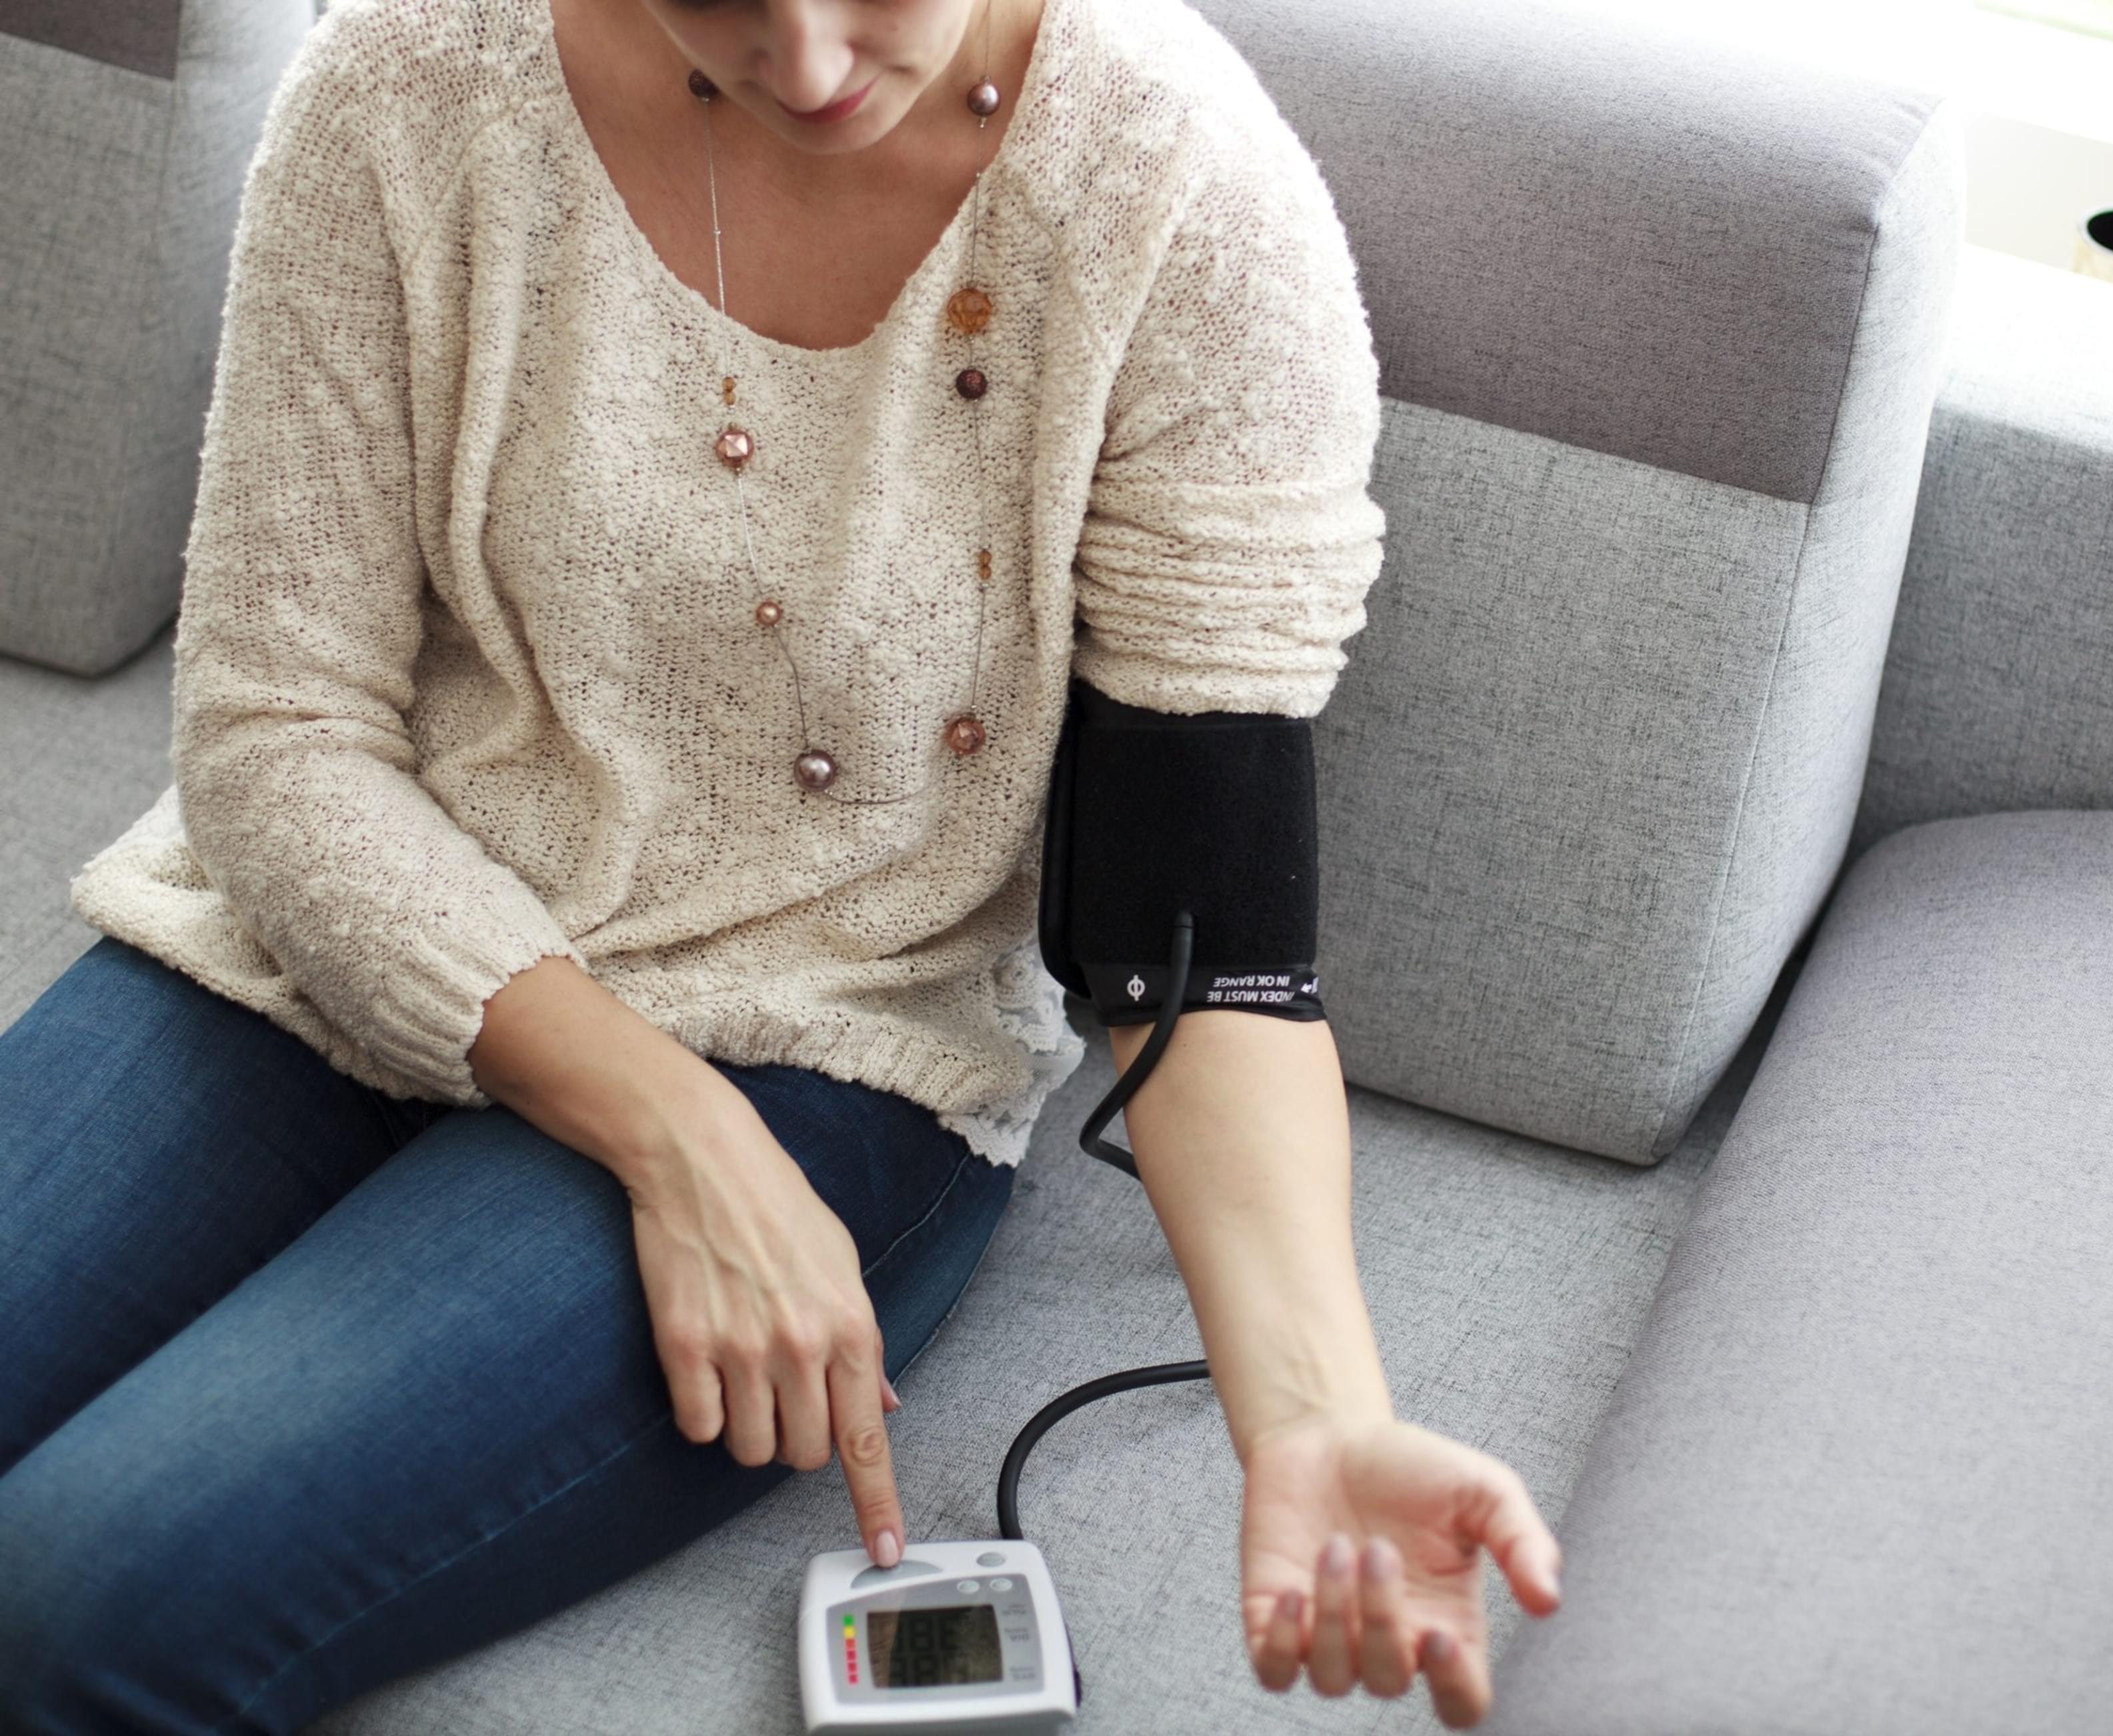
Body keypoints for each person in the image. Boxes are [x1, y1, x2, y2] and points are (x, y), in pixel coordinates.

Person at [0, 0, 1564, 1730]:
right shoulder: (407, 81)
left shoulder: (1179, 198)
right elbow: (274, 725)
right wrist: (664, 1124)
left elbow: (1200, 948)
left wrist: (1320, 1408)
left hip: (824, 1042)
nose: (811, 63)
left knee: (68, 1598)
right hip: (334, 917)